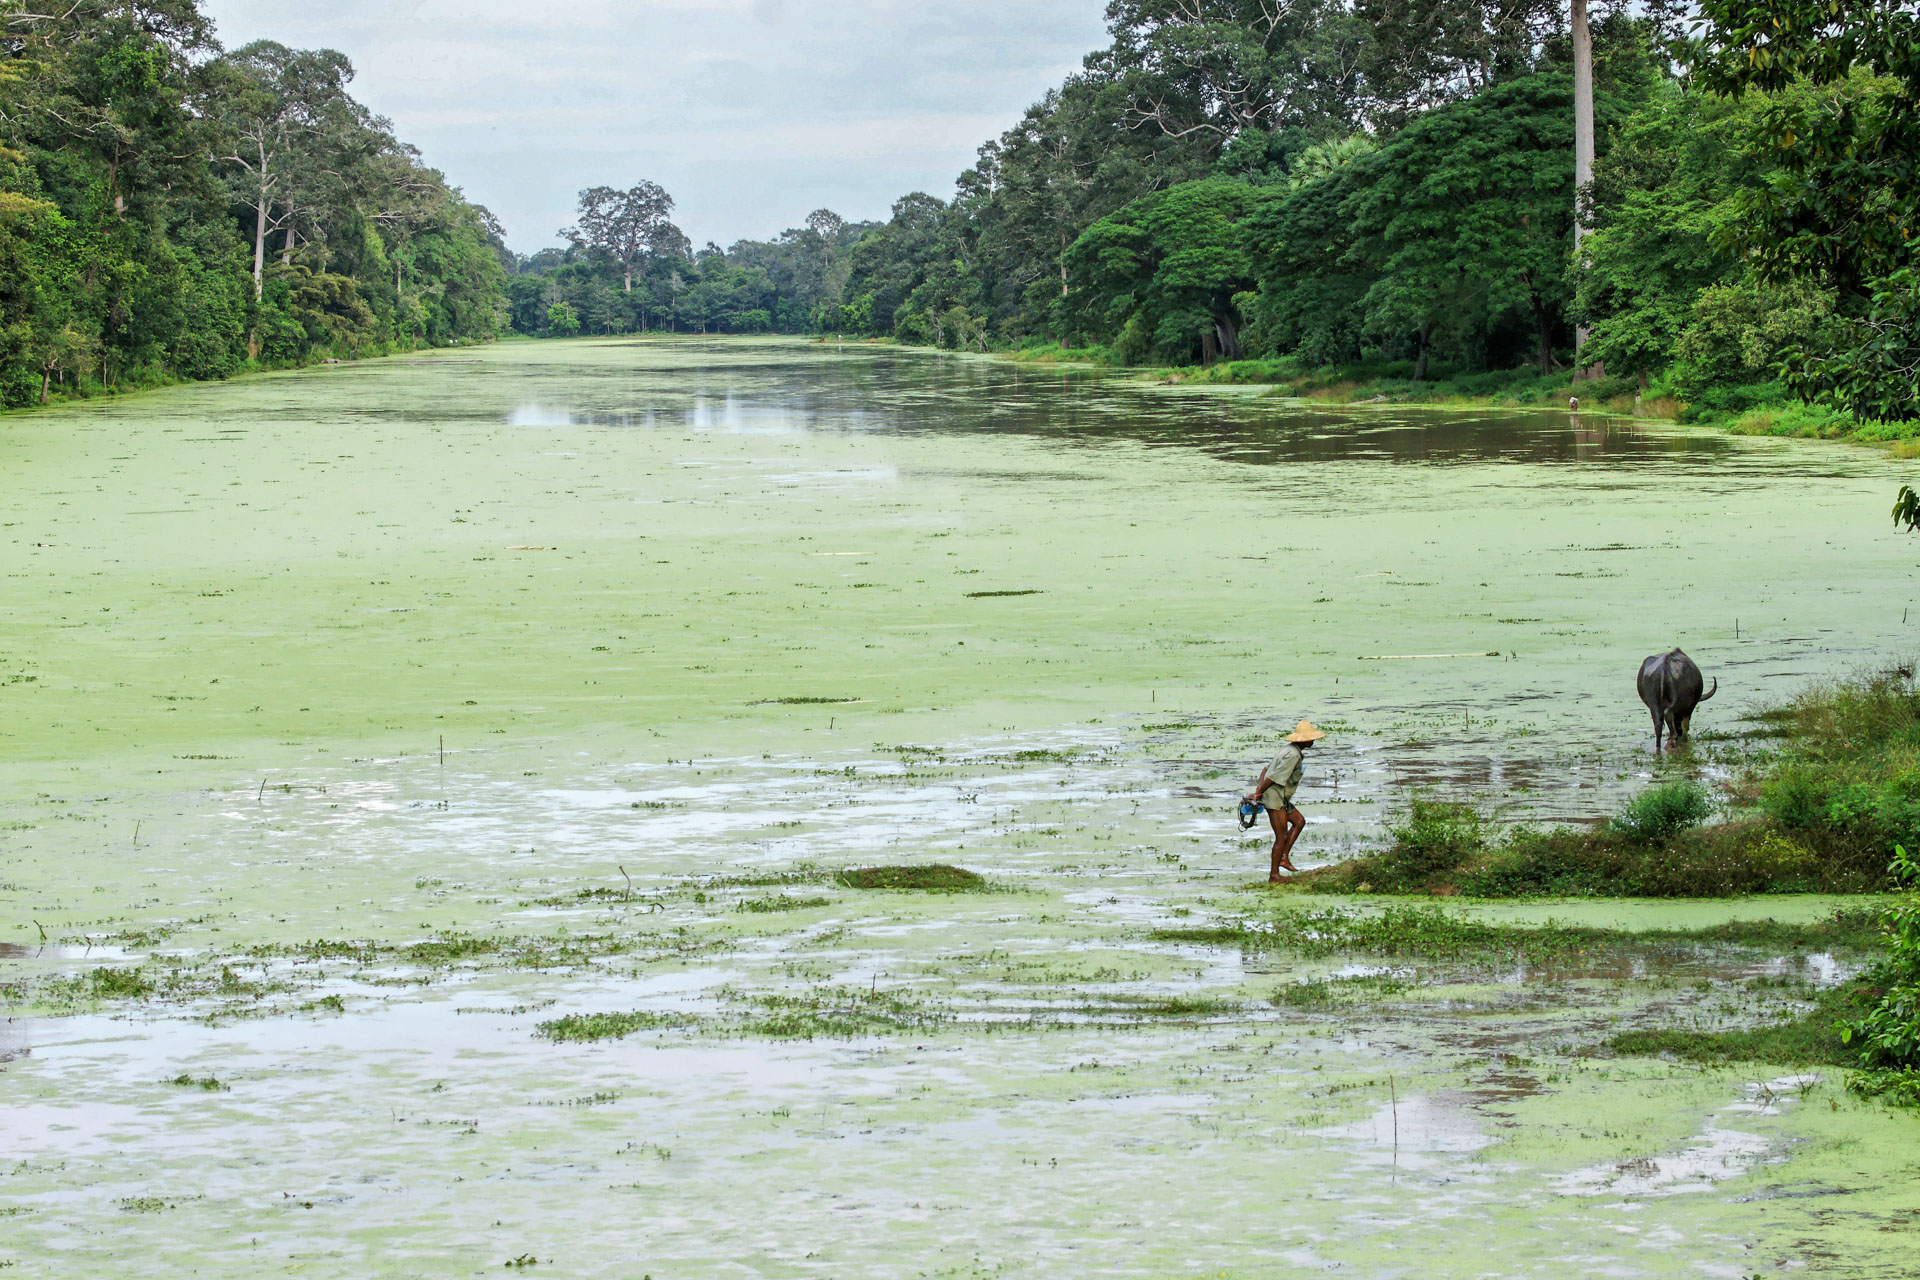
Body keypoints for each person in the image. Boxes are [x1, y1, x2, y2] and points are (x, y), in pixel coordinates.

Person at [1244, 720, 1326, 881]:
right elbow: (1273, 777)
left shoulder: (1288, 750)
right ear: (1305, 740)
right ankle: (1274, 875)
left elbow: (1266, 770)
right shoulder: (1293, 755)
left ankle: (1284, 857)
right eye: (1311, 738)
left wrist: (1258, 791)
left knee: (1299, 821)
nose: (1313, 741)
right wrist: (1258, 793)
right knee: (1280, 837)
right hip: (1275, 797)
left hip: (1280, 796)